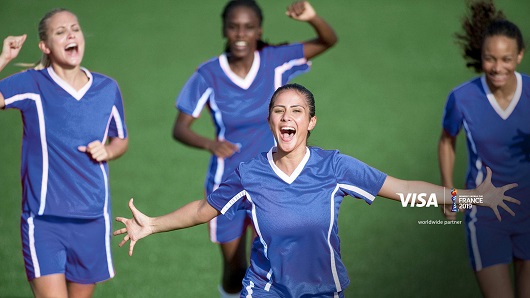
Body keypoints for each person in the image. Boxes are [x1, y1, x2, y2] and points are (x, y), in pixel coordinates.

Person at [116, 83, 519, 297]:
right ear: (270, 121)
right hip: (264, 291)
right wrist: (152, 224)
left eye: (297, 111)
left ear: (311, 122)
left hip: (322, 292)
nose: (287, 117)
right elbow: (205, 209)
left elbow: (405, 188)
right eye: (279, 110)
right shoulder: (250, 174)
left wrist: (474, 197)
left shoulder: (335, 167)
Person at [172, 1, 337, 296]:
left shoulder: (275, 60)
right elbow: (180, 128)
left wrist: (312, 18)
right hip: (228, 183)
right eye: (234, 26)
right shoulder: (208, 75)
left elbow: (328, 40)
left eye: (248, 27)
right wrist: (210, 143)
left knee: (278, 267)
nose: (240, 33)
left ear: (258, 30)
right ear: (224, 29)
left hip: (273, 182)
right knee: (235, 271)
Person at [0, 8, 128, 298]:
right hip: (44, 221)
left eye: (75, 28)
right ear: (45, 46)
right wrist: (3, 59)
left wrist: (107, 151)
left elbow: (121, 140)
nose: (71, 34)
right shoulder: (32, 84)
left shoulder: (108, 89)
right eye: (60, 32)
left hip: (93, 219)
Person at [438, 1, 530, 297]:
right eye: (490, 59)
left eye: (506, 59)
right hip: (483, 212)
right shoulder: (462, 98)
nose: (497, 68)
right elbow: (446, 140)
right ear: (481, 57)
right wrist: (447, 190)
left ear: (520, 56)